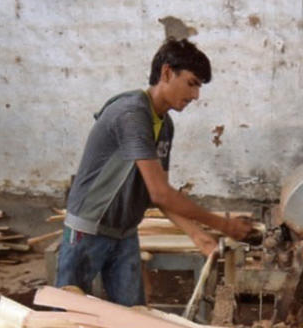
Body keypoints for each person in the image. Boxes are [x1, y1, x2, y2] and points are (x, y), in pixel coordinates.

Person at [57, 38, 252, 306]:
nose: (196, 95)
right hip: (89, 230)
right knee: (67, 315)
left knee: (135, 316)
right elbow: (161, 193)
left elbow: (157, 194)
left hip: (124, 232)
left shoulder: (165, 125)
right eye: (192, 83)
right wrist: (225, 226)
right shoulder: (132, 114)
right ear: (167, 73)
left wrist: (196, 234)